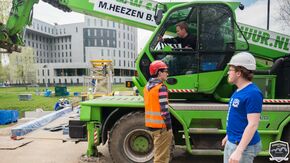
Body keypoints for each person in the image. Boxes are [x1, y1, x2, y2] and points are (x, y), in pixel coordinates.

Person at [222, 52, 263, 163]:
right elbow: (238, 117)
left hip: (243, 147)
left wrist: (239, 151)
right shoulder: (239, 90)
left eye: (230, 70)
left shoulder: (253, 93)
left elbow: (253, 124)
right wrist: (229, 135)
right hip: (233, 141)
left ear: (239, 73)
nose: (228, 73)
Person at [143, 60, 173, 163]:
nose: (167, 73)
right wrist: (169, 127)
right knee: (161, 158)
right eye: (165, 71)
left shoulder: (147, 87)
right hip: (161, 128)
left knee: (159, 155)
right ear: (159, 72)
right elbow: (164, 110)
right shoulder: (161, 88)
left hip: (151, 126)